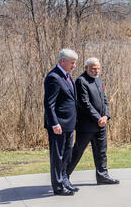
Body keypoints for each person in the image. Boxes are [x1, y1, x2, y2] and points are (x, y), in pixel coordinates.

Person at [66, 58, 120, 185]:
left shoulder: (98, 80)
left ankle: (102, 176)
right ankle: (64, 176)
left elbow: (104, 100)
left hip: (101, 124)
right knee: (77, 151)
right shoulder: (81, 81)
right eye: (93, 68)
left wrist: (106, 116)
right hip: (86, 125)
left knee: (101, 151)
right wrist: (98, 118)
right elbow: (84, 103)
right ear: (86, 68)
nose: (96, 71)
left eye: (98, 68)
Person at [44, 49, 78, 196]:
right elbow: (49, 104)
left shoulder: (67, 77)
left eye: (75, 63)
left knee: (67, 155)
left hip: (69, 124)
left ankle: (64, 181)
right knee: (57, 156)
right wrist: (55, 123)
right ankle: (58, 186)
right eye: (72, 63)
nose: (74, 65)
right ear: (63, 61)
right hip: (58, 125)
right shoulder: (54, 77)